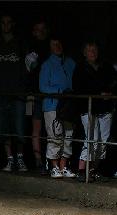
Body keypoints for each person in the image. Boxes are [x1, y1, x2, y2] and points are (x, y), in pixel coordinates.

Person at [0, 14, 28, 172]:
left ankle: (20, 158)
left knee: (19, 129)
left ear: (13, 24)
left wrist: (23, 88)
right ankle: (9, 160)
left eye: (8, 22)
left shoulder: (20, 43)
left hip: (17, 93)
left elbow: (26, 67)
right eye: (3, 23)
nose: (6, 25)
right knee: (3, 129)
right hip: (0, 94)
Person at [73, 41, 117, 182]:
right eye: (89, 49)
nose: (92, 52)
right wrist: (99, 92)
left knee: (104, 141)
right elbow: (79, 87)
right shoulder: (80, 68)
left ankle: (94, 169)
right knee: (91, 139)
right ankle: (82, 170)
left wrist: (109, 92)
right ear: (84, 52)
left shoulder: (106, 66)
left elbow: (114, 81)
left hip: (105, 108)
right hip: (88, 107)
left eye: (95, 49)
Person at [39, 35, 76, 179]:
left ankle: (63, 166)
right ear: (50, 47)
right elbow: (43, 86)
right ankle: (53, 166)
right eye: (54, 44)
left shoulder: (70, 63)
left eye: (59, 43)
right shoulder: (47, 64)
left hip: (68, 106)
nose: (57, 46)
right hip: (52, 105)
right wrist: (59, 91)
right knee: (55, 136)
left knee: (68, 136)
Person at [25, 20, 51, 174]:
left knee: (49, 129)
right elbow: (27, 72)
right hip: (32, 95)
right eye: (37, 29)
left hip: (48, 94)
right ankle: (37, 161)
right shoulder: (29, 47)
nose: (40, 31)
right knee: (34, 127)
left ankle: (48, 160)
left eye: (42, 28)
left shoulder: (50, 48)